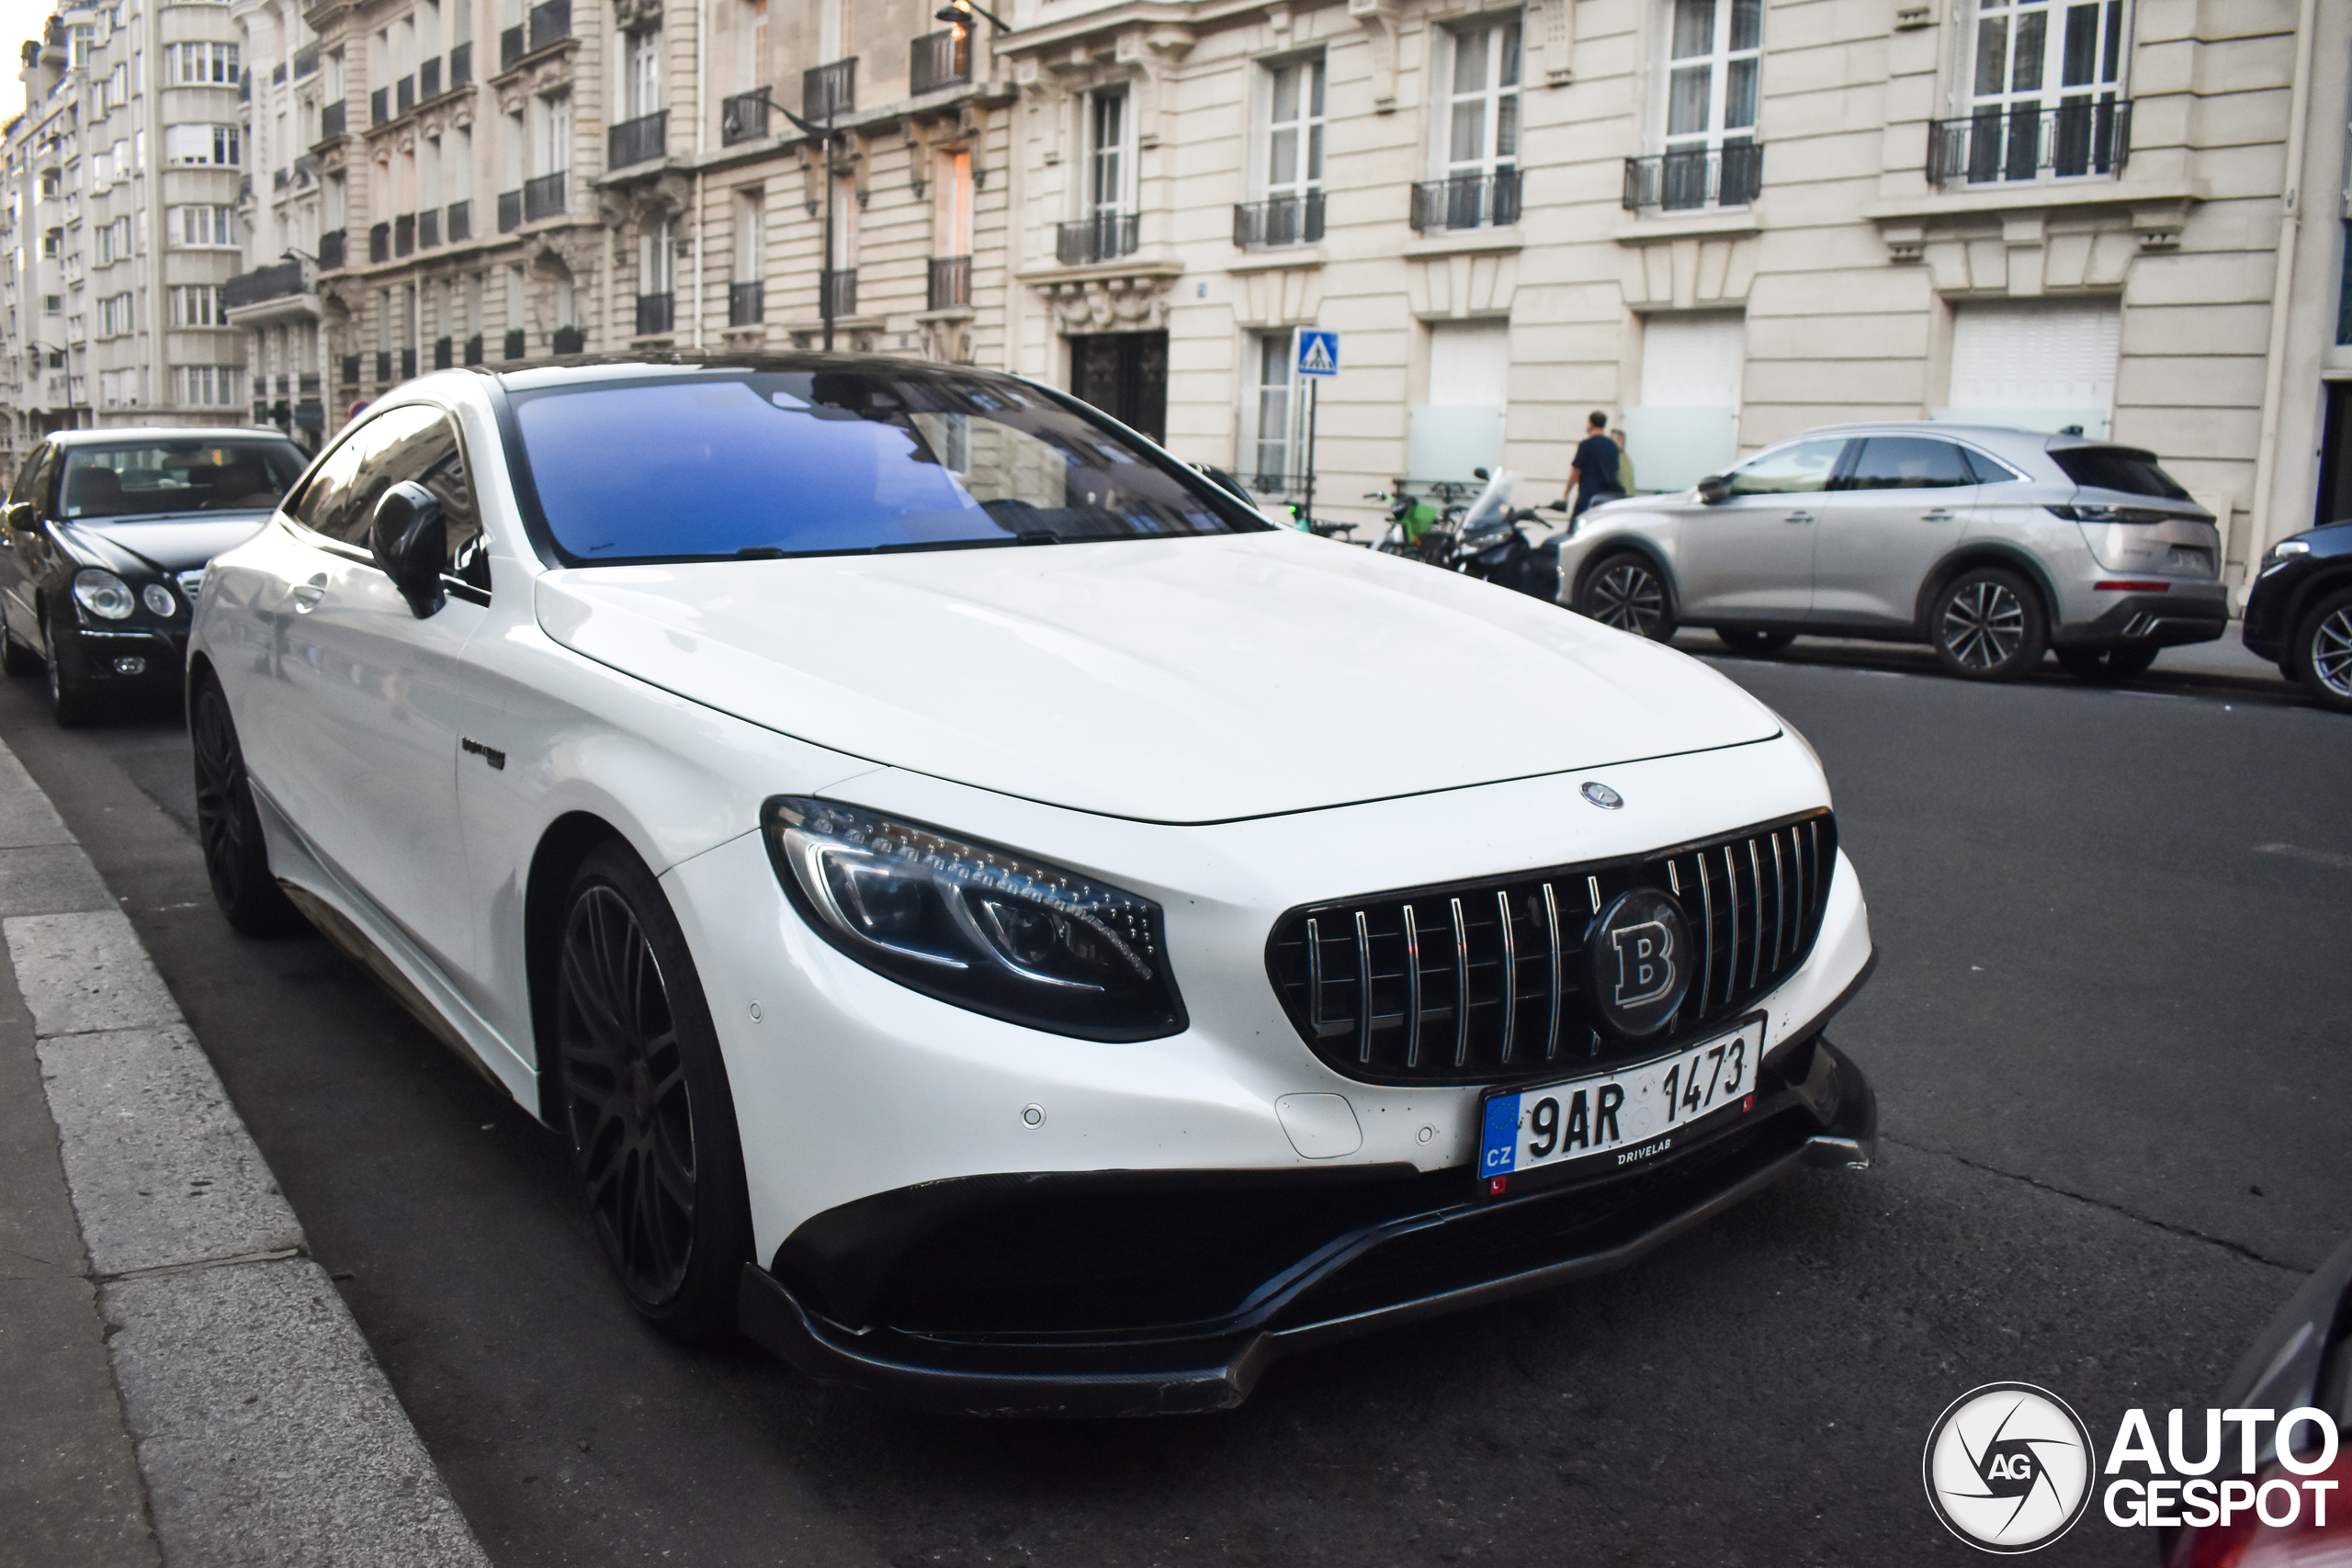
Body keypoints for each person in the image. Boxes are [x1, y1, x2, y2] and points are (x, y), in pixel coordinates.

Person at [1565, 410, 1625, 518]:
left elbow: (1576, 472)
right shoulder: (1612, 446)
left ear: (1590, 423)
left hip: (1588, 498)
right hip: (1606, 499)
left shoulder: (1586, 445)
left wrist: (1566, 492)